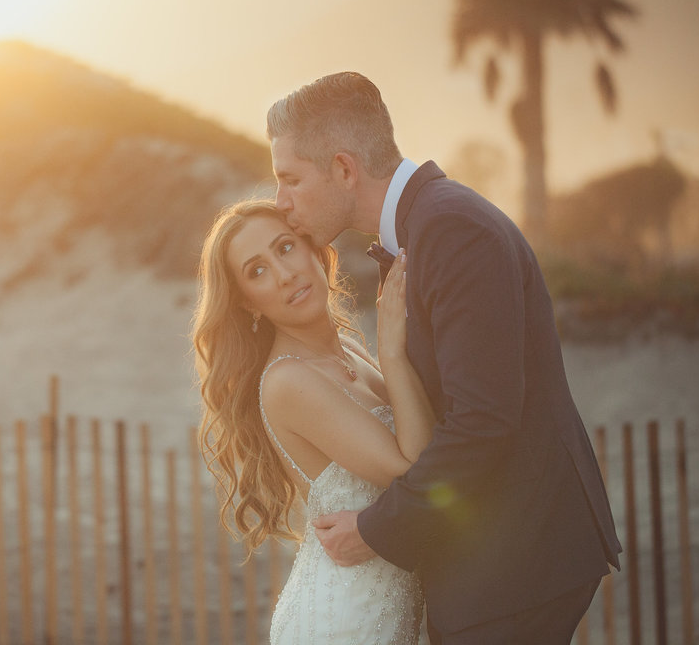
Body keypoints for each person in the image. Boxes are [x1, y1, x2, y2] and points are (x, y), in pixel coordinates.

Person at [266, 72, 621, 645]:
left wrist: (377, 531)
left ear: (344, 168)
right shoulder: (427, 225)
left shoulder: (451, 229)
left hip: (514, 561)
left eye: (290, 179)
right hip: (497, 558)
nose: (281, 202)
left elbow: (483, 420)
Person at [192, 198, 437, 644]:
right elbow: (416, 470)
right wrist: (395, 353)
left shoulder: (350, 349)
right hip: (344, 624)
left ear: (313, 250)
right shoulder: (288, 382)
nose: (284, 274)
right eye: (257, 271)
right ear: (248, 304)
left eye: (284, 248)